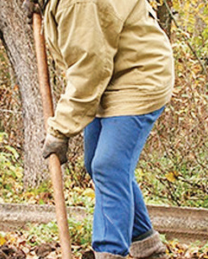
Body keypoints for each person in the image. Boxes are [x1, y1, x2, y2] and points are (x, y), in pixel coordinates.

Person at [25, 0, 174, 258]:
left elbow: (88, 68)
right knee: (96, 162)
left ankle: (108, 252)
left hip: (138, 76)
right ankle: (148, 248)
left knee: (109, 165)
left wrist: (60, 130)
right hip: (109, 75)